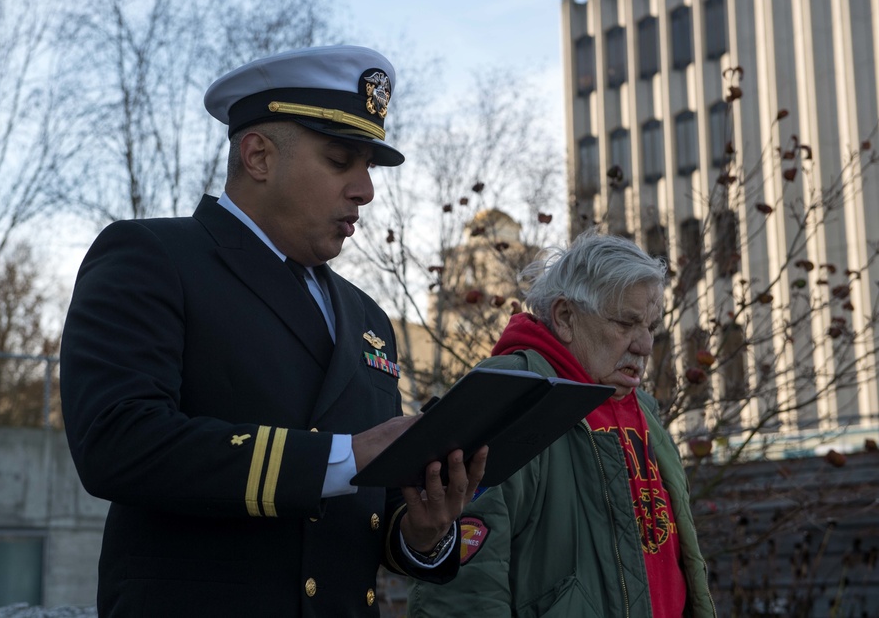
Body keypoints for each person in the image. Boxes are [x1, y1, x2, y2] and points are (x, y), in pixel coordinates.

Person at [60, 45, 487, 617]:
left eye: (367, 167)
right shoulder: (154, 256)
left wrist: (422, 530)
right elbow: (117, 443)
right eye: (340, 160)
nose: (366, 190)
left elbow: (372, 511)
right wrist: (346, 456)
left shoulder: (368, 318)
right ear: (258, 156)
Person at [408, 230, 716, 617]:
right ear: (566, 317)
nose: (644, 345)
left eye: (651, 327)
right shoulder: (507, 398)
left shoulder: (644, 411)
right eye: (625, 324)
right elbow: (464, 592)